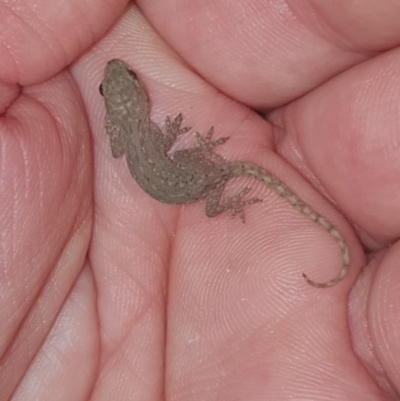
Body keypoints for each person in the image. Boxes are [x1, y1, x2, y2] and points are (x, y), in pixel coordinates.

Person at [1, 1, 399, 399]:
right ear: (138, 97)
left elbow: (120, 151)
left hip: (189, 188)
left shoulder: (126, 135)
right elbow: (160, 144)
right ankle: (234, 199)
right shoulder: (144, 131)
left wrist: (116, 125)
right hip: (190, 181)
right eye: (121, 82)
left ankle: (232, 203)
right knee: (224, 172)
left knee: (218, 179)